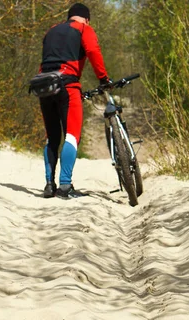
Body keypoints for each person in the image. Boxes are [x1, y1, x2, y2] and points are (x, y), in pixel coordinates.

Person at [38, 2, 111, 199]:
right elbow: (93, 51)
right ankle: (64, 186)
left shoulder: (51, 31)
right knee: (71, 135)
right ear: (86, 18)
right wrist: (103, 79)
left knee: (52, 136)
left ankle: (49, 184)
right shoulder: (84, 29)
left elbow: (45, 60)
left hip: (44, 86)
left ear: (69, 16)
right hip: (67, 86)